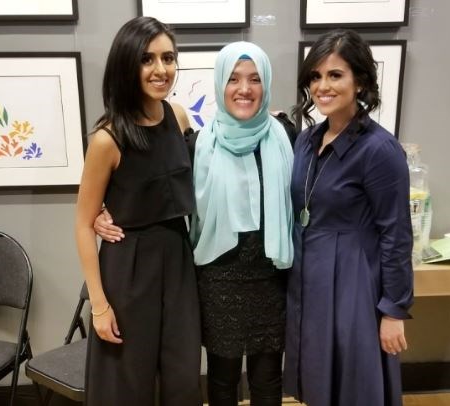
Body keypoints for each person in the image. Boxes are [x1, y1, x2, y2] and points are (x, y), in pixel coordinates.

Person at [95, 41, 295, 406]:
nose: (244, 89)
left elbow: (313, 192)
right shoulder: (199, 144)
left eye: (254, 79)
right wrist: (103, 211)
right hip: (216, 277)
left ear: (266, 84)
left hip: (271, 279)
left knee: (268, 381)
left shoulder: (286, 136)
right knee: (221, 381)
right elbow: (157, 186)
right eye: (233, 79)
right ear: (220, 84)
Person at [74, 16, 201, 406]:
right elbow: (82, 224)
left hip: (177, 259)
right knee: (126, 383)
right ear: (128, 65)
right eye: (147, 59)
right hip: (128, 265)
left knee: (182, 375)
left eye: (168, 58)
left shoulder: (177, 116)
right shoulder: (106, 138)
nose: (161, 69)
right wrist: (98, 306)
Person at [284, 29, 414, 406]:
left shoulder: (380, 150)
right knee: (318, 379)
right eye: (315, 76)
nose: (322, 86)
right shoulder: (307, 141)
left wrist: (393, 311)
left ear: (360, 82)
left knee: (354, 384)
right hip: (309, 278)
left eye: (335, 75)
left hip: (355, 281)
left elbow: (396, 235)